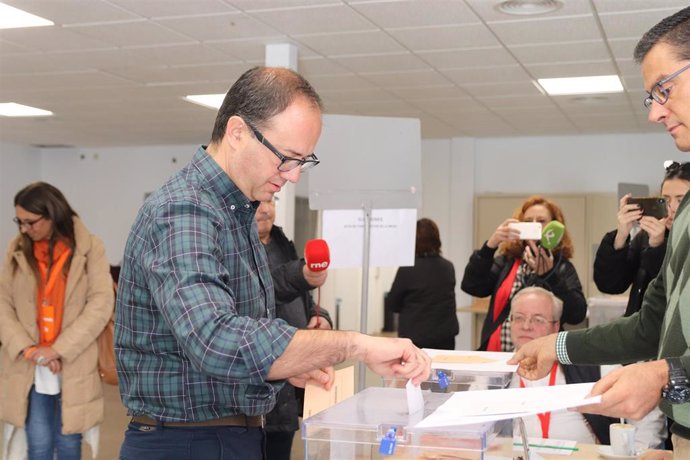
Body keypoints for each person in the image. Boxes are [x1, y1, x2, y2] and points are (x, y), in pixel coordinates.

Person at [115, 66, 431, 460]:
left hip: (225, 436)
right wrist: (354, 344)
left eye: (304, 161)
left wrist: (286, 362)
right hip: (188, 442)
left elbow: (237, 333)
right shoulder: (186, 211)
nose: (294, 176)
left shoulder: (233, 211)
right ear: (237, 132)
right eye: (287, 158)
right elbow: (215, 339)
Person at [509, 7, 690, 459]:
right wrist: (558, 344)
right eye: (652, 98)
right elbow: (651, 325)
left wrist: (666, 375)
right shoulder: (684, 212)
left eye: (663, 90)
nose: (655, 114)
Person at [0, 182, 114, 460]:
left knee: (68, 442)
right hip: (30, 362)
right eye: (19, 221)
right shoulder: (17, 249)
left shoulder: (90, 248)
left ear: (52, 215)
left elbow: (100, 304)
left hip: (74, 358)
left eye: (31, 222)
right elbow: (3, 304)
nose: (24, 229)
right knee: (36, 443)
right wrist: (31, 350)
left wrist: (57, 349)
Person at [509, 287, 666, 449]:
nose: (526, 326)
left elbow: (647, 411)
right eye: (519, 318)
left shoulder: (593, 365)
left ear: (556, 327)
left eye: (538, 319)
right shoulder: (491, 372)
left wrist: (640, 453)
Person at [255, 197, 332, 460]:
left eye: (270, 201)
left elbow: (304, 298)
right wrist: (300, 274)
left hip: (292, 384)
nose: (265, 209)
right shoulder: (237, 251)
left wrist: (320, 317)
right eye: (257, 203)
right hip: (259, 384)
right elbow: (264, 291)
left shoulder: (281, 242)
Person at [460, 195, 587, 351]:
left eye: (541, 221)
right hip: (499, 351)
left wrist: (550, 276)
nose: (534, 225)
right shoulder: (507, 262)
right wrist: (490, 245)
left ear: (554, 226)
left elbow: (577, 314)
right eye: (527, 221)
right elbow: (472, 286)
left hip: (540, 356)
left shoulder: (562, 267)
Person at [594, 162, 690, 317]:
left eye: (681, 200)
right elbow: (610, 285)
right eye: (666, 199)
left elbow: (676, 291)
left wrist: (657, 248)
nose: (671, 208)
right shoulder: (645, 236)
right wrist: (621, 236)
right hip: (640, 333)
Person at [385, 218, 458, 350]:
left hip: (415, 338)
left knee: (416, 371)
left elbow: (393, 304)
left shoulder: (407, 269)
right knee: (442, 370)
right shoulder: (448, 267)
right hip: (444, 337)